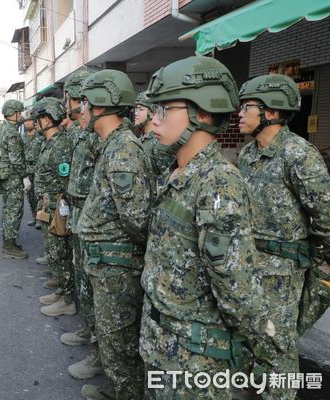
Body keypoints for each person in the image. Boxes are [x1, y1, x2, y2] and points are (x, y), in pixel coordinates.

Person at [139, 56, 274, 399]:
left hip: (195, 360)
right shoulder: (179, 170)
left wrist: (258, 336)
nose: (154, 120)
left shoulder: (217, 183)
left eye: (163, 110)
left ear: (200, 113)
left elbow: (234, 285)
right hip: (163, 345)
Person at [237, 74, 330, 400]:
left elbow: (326, 216)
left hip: (283, 273)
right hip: (248, 267)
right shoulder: (247, 154)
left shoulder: (298, 155)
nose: (239, 114)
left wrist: (317, 264)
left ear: (272, 112)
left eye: (247, 107)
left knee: (277, 345)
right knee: (250, 337)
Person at [73, 70, 152, 400]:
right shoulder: (112, 145)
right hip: (106, 263)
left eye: (84, 103)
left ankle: (127, 394)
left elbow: (137, 219)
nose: (80, 110)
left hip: (116, 267)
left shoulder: (122, 151)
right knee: (113, 340)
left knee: (120, 344)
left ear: (101, 106)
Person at [57, 69, 103, 382]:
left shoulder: (108, 138)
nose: (74, 106)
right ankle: (90, 334)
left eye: (77, 100)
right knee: (85, 286)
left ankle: (100, 354)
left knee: (97, 294)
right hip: (79, 214)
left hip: (96, 225)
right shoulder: (82, 132)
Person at [31, 97, 76, 318]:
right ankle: (61, 290)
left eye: (37, 120)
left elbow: (65, 182)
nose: (35, 124)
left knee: (59, 252)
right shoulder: (51, 143)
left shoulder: (60, 145)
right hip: (47, 205)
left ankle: (67, 300)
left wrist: (62, 210)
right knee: (54, 251)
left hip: (56, 206)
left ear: (46, 120)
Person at [0, 99, 28, 259]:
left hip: (7, 175)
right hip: (13, 176)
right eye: (19, 113)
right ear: (12, 114)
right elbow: (17, 160)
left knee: (8, 209)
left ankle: (8, 240)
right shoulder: (12, 133)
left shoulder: (5, 128)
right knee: (14, 210)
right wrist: (24, 177)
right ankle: (9, 245)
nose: (21, 115)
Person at [134, 91, 174, 187]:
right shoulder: (141, 139)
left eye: (140, 109)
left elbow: (166, 177)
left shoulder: (159, 142)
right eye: (135, 109)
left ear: (152, 114)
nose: (136, 113)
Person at [22, 110, 42, 227]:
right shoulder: (22, 138)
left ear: (34, 122)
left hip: (38, 168)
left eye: (30, 121)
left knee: (39, 194)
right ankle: (34, 217)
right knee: (30, 196)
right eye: (26, 121)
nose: (28, 123)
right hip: (27, 169)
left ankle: (40, 219)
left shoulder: (40, 136)